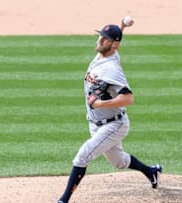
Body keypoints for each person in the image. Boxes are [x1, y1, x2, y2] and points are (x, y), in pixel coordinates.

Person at [57, 19, 162, 203]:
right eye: (100, 36)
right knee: (119, 161)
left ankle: (63, 200)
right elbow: (115, 41)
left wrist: (99, 104)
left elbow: (128, 98)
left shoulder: (112, 69)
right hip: (96, 123)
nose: (100, 41)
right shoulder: (103, 56)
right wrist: (121, 27)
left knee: (82, 156)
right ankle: (151, 171)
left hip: (114, 124)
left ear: (114, 44)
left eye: (105, 39)